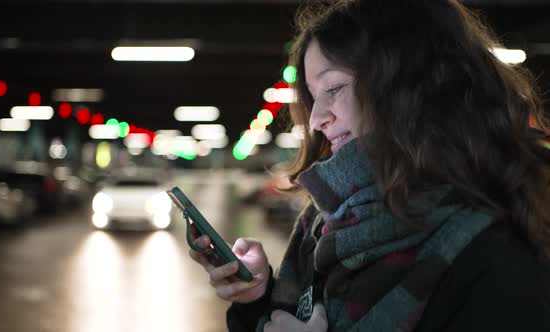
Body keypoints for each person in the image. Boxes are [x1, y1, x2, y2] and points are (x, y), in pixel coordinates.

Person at [189, 0, 550, 331]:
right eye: (313, 98)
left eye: (333, 89)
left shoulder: (499, 254)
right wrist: (259, 299)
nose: (315, 119)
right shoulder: (324, 224)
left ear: (411, 85)